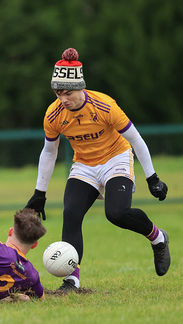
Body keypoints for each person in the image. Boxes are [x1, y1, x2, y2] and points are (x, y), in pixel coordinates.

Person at [25, 47, 170, 293]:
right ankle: (72, 280)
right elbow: (49, 152)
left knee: (116, 214)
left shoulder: (105, 106)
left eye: (68, 93)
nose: (63, 99)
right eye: (58, 93)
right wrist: (40, 193)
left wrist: (152, 177)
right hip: (84, 165)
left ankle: (158, 238)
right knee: (71, 213)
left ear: (81, 87)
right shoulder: (54, 115)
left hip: (116, 158)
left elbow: (136, 140)